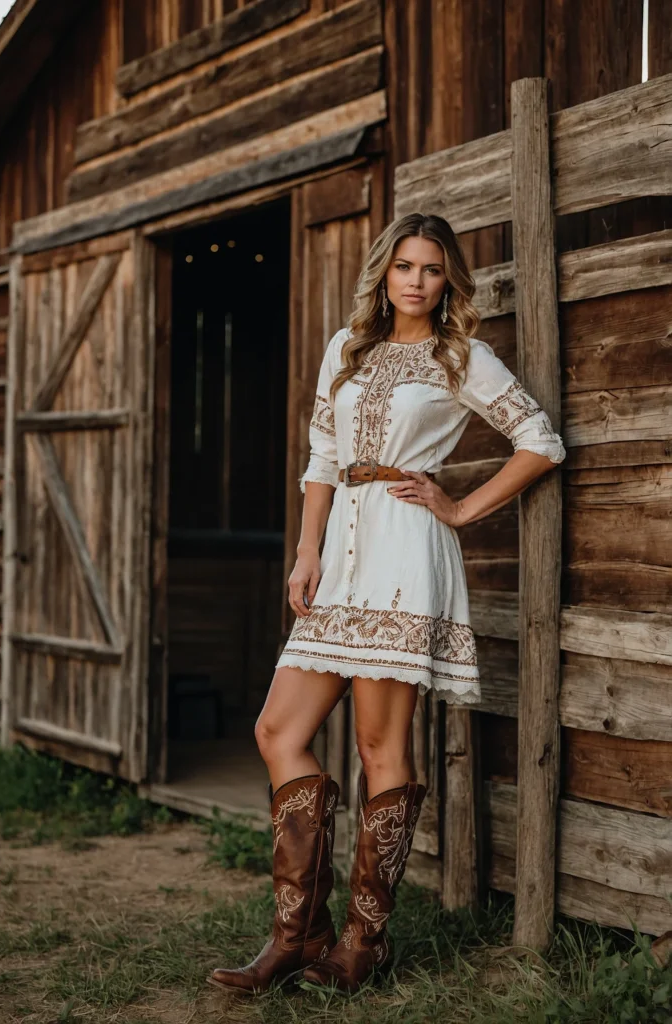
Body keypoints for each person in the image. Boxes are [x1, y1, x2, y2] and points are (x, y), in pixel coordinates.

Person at [208, 212, 565, 995]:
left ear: (447, 282)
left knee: (379, 750)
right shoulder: (347, 348)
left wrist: (462, 508)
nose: (415, 279)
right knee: (279, 730)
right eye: (404, 264)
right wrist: (306, 550)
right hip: (338, 554)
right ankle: (299, 935)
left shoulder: (459, 355)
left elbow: (539, 440)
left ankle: (363, 944)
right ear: (384, 270)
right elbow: (322, 457)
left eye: (431, 269)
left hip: (406, 554)